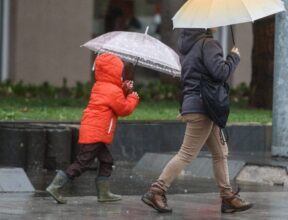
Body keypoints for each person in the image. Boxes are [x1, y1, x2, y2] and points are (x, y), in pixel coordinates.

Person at [141, 28, 253, 213]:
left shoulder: (188, 46)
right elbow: (221, 73)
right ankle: (157, 190)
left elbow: (189, 78)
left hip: (199, 105)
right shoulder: (208, 44)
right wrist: (233, 57)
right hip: (204, 106)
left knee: (220, 152)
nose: (217, 23)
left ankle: (227, 197)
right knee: (187, 154)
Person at [46, 53, 139, 204]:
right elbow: (123, 109)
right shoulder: (112, 91)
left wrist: (124, 88)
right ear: (114, 72)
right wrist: (133, 97)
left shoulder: (101, 86)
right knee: (83, 163)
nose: (121, 74)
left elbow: (113, 98)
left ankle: (104, 193)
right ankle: (55, 186)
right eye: (120, 71)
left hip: (93, 130)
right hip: (97, 133)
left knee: (106, 161)